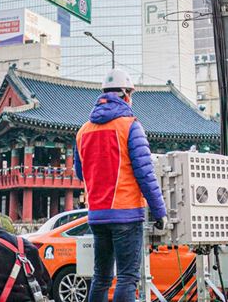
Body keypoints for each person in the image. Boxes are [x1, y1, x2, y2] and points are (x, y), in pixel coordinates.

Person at [74, 68, 168, 302]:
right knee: (127, 277)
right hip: (126, 214)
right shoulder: (130, 126)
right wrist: (159, 212)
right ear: (125, 94)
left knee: (101, 277)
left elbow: (80, 172)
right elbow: (146, 174)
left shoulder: (83, 131)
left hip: (97, 215)